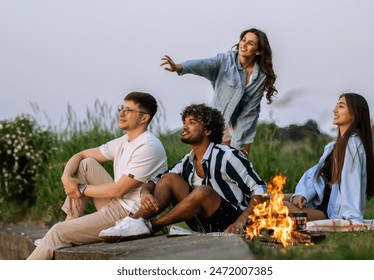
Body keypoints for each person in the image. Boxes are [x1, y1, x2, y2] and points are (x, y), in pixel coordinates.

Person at [27, 92, 168, 259]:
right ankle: (70, 221)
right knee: (87, 164)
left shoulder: (148, 147)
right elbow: (81, 155)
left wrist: (80, 188)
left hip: (130, 216)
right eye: (121, 108)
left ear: (144, 118)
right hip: (117, 204)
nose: (121, 113)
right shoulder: (124, 141)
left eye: (128, 110)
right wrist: (66, 178)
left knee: (57, 232)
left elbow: (118, 190)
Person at [98, 103, 268, 242]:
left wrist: (241, 221)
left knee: (203, 191)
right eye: (184, 122)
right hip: (204, 223)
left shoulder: (227, 155)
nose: (184, 126)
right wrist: (145, 192)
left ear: (207, 131)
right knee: (169, 179)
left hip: (234, 219)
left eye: (192, 122)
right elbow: (157, 179)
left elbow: (260, 189)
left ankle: (150, 226)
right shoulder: (187, 161)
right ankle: (134, 222)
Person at [160, 28, 278, 157]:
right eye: (243, 40)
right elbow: (205, 64)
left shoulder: (261, 76)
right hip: (221, 118)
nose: (244, 44)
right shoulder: (225, 60)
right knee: (214, 159)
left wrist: (237, 145)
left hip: (244, 122)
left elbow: (250, 110)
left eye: (250, 43)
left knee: (238, 161)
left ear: (259, 51)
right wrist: (180, 67)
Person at [285, 93, 374, 224]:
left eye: (341, 106)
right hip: (316, 200)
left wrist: (352, 219)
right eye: (336, 106)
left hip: (328, 212)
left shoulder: (353, 146)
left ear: (354, 114)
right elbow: (315, 175)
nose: (335, 110)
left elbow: (352, 187)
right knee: (268, 199)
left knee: (277, 207)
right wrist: (302, 194)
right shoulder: (333, 146)